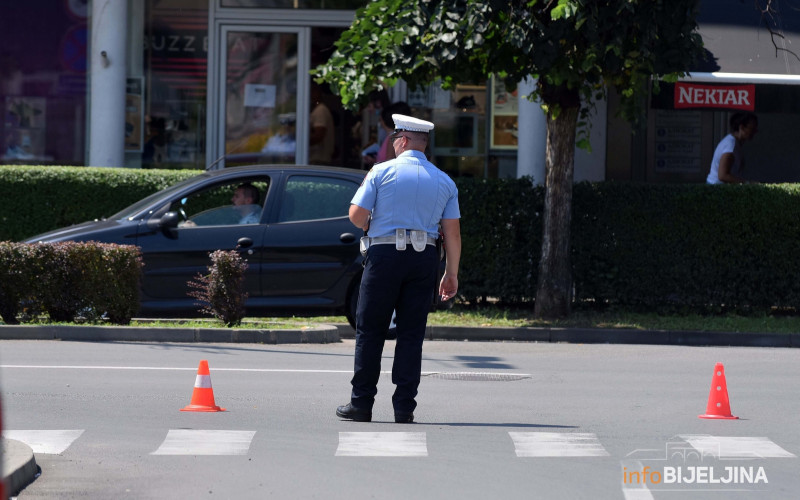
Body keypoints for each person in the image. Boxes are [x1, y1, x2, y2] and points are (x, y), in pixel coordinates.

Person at [336, 114, 461, 424]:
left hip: (384, 256)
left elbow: (355, 215)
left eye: (393, 141)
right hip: (424, 259)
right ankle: (404, 408)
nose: (391, 146)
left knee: (371, 330)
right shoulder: (444, 180)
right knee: (411, 335)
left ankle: (361, 403)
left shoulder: (380, 172)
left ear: (403, 141)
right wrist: (451, 273)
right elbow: (453, 234)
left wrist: (371, 222)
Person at [706, 112, 758, 184]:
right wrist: (747, 183)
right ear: (741, 127)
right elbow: (722, 175)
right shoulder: (730, 145)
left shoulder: (734, 143)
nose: (755, 132)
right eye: (752, 128)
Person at [309, 83, 335, 165]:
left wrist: (299, 143)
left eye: (312, 91)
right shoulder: (318, 109)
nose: (310, 94)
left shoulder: (320, 110)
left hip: (319, 160)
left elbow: (319, 135)